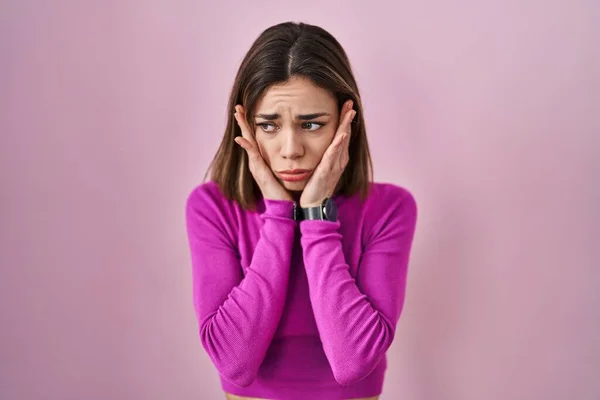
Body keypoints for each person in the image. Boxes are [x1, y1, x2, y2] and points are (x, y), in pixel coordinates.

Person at [185, 21, 418, 400]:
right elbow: (233, 363)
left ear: (346, 120)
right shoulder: (211, 207)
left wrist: (316, 215)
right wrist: (279, 214)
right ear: (244, 126)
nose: (291, 149)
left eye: (311, 124)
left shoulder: (390, 209)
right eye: (269, 125)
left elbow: (354, 363)